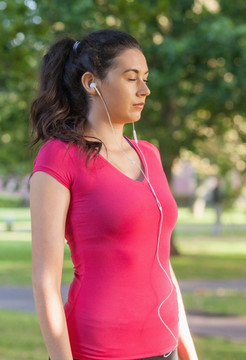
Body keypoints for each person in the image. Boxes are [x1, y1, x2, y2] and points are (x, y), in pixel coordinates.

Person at [29, 29, 199, 360]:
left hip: (165, 347)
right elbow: (45, 282)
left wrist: (188, 351)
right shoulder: (59, 157)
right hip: (98, 349)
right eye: (131, 78)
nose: (145, 90)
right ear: (92, 82)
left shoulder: (149, 154)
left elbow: (162, 263)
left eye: (145, 78)